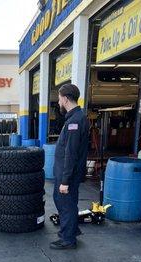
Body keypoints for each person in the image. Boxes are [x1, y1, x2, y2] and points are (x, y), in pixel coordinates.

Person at [50, 83, 89, 250]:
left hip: (67, 175)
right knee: (67, 203)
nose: (58, 103)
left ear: (65, 99)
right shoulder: (76, 117)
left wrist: (65, 180)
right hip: (67, 173)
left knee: (66, 204)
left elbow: (71, 153)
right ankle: (71, 230)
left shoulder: (75, 121)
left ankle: (68, 239)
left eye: (59, 99)